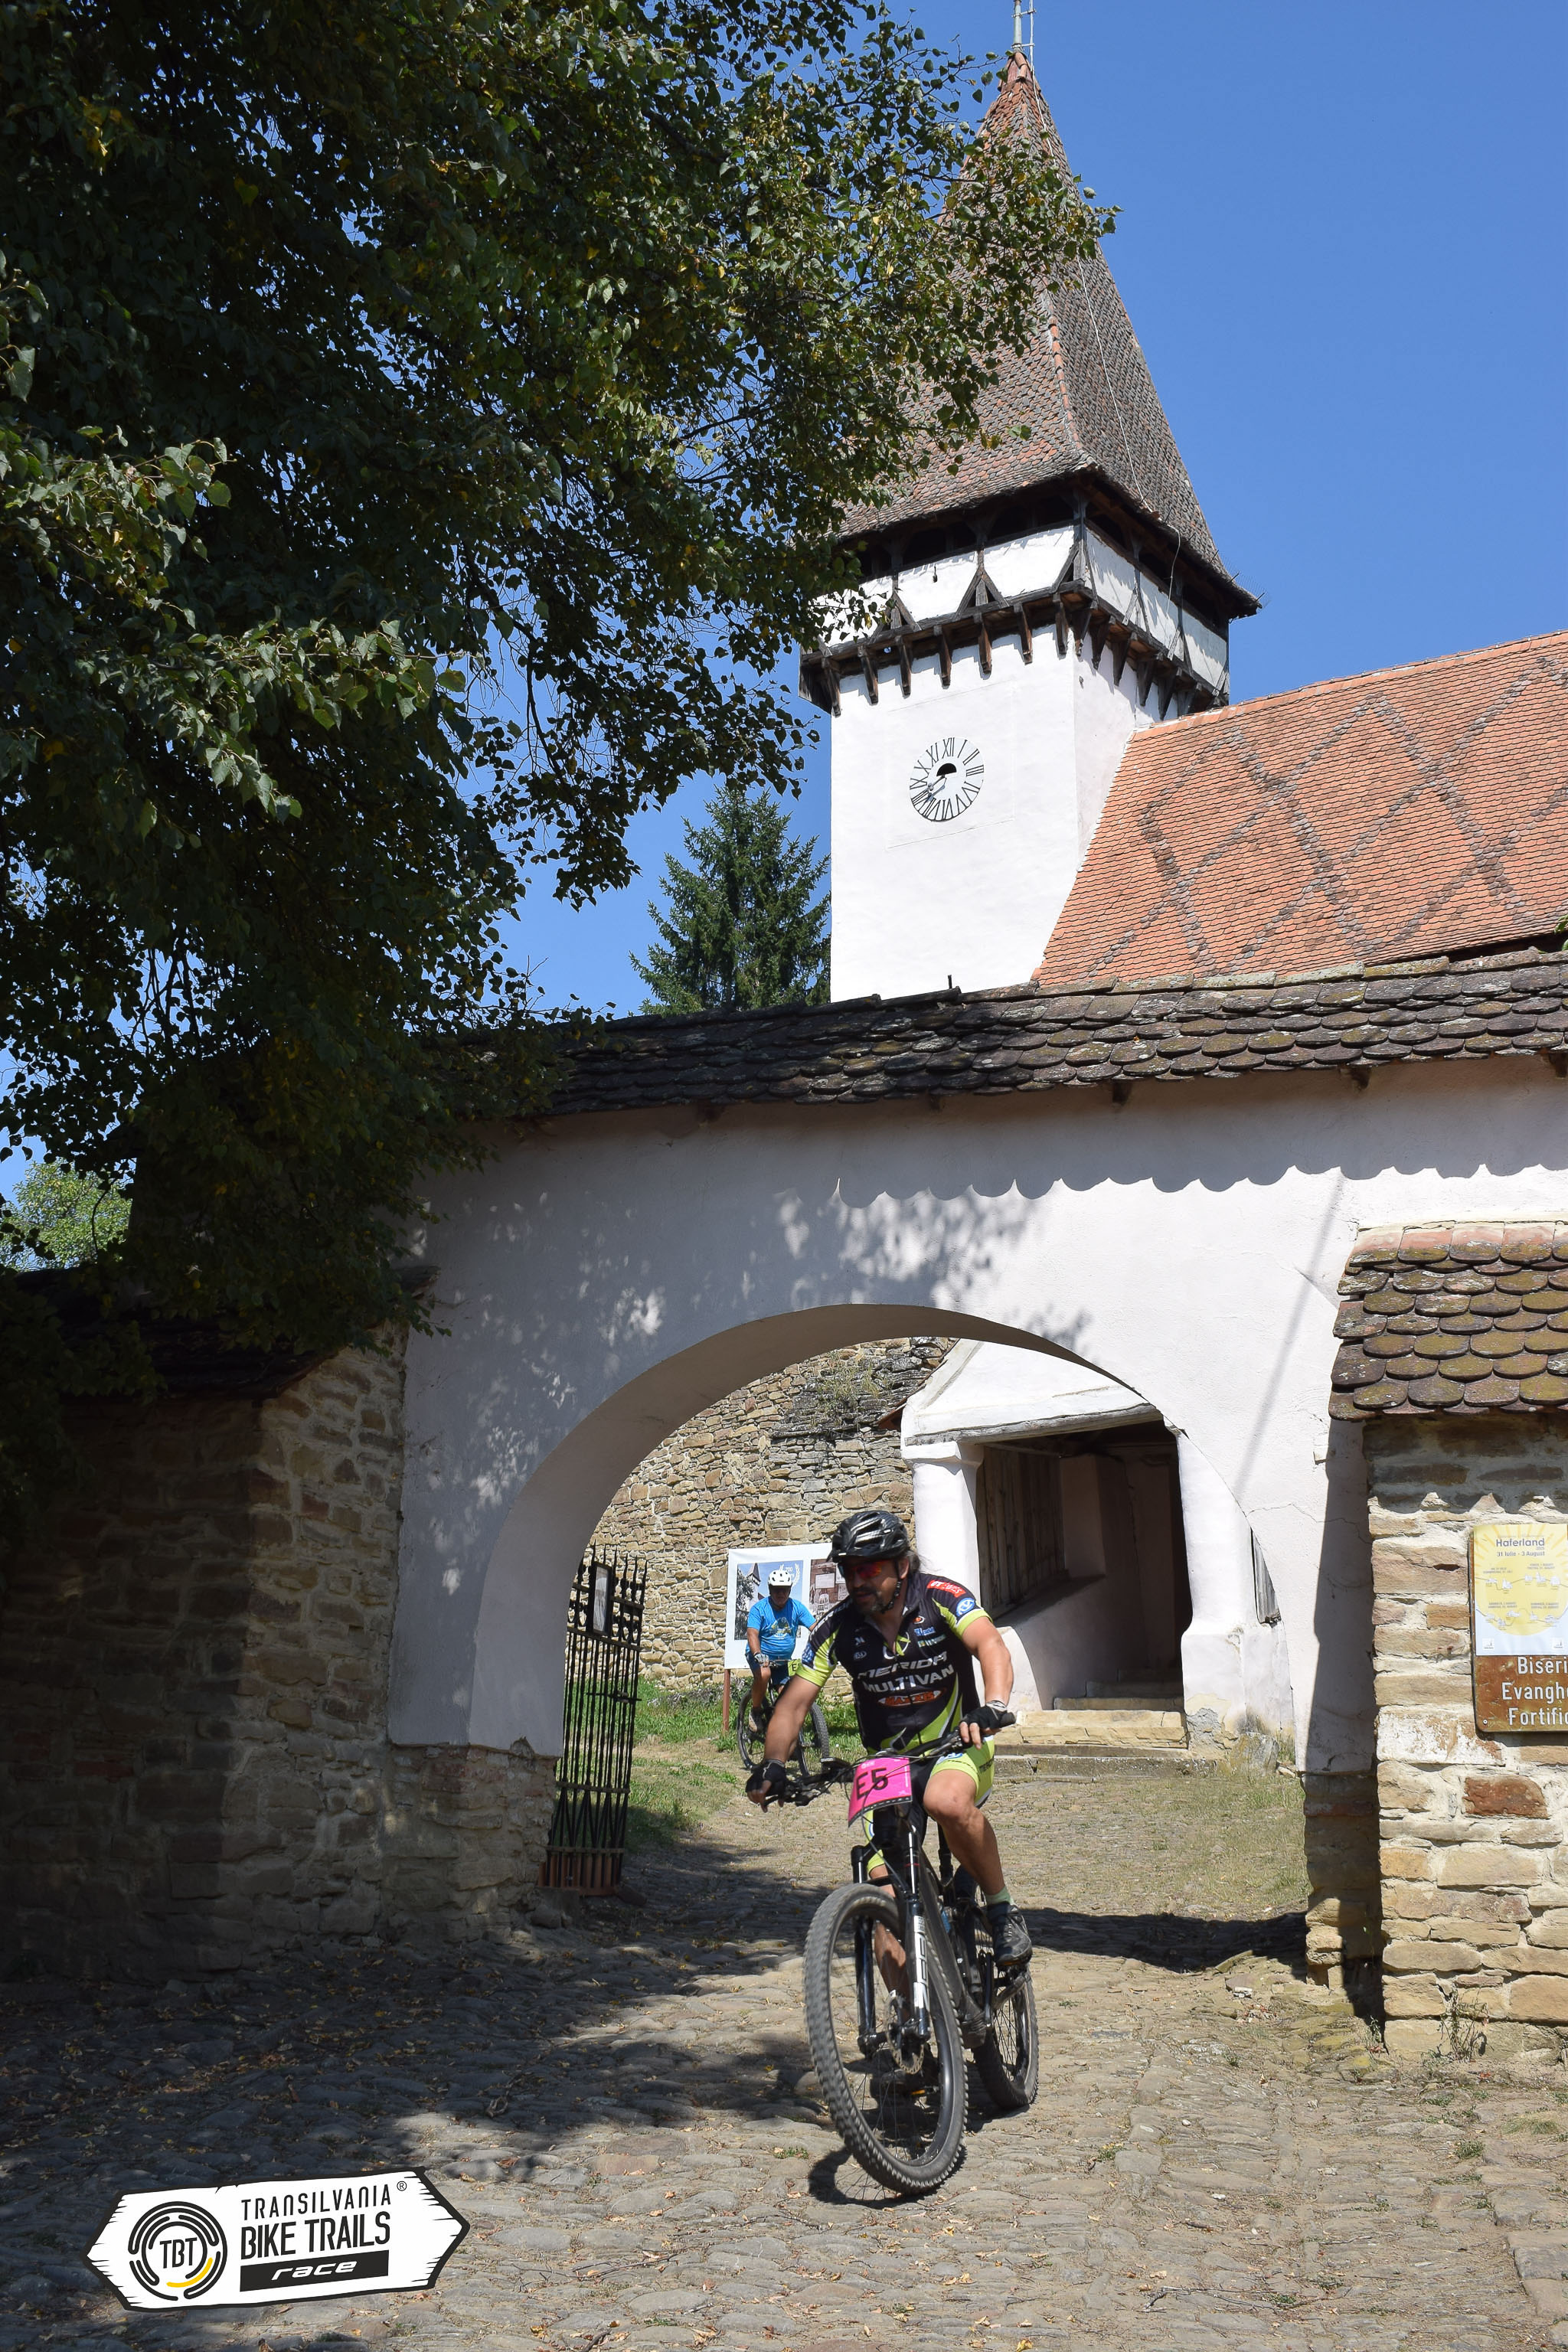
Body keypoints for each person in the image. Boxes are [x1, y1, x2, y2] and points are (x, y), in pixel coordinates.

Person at [746, 1508, 1031, 1968]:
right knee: (883, 1906)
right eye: (849, 1572)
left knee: (945, 1802)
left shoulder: (941, 1597)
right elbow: (794, 1705)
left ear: (901, 1566)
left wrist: (995, 1704)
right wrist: (775, 1762)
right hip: (887, 1765)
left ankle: (1002, 1909)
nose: (857, 1581)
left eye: (870, 1569)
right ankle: (908, 2010)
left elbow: (990, 1644)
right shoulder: (839, 1627)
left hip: (955, 1745)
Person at [746, 1565, 815, 1730]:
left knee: (788, 1694)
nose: (781, 1593)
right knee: (764, 1674)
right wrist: (758, 1654)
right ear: (770, 1590)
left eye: (785, 1590)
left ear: (790, 1590)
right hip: (760, 1656)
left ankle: (781, 1727)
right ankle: (756, 1711)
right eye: (777, 1590)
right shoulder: (759, 1609)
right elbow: (752, 1634)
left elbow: (815, 1628)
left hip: (782, 1661)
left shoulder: (796, 1608)